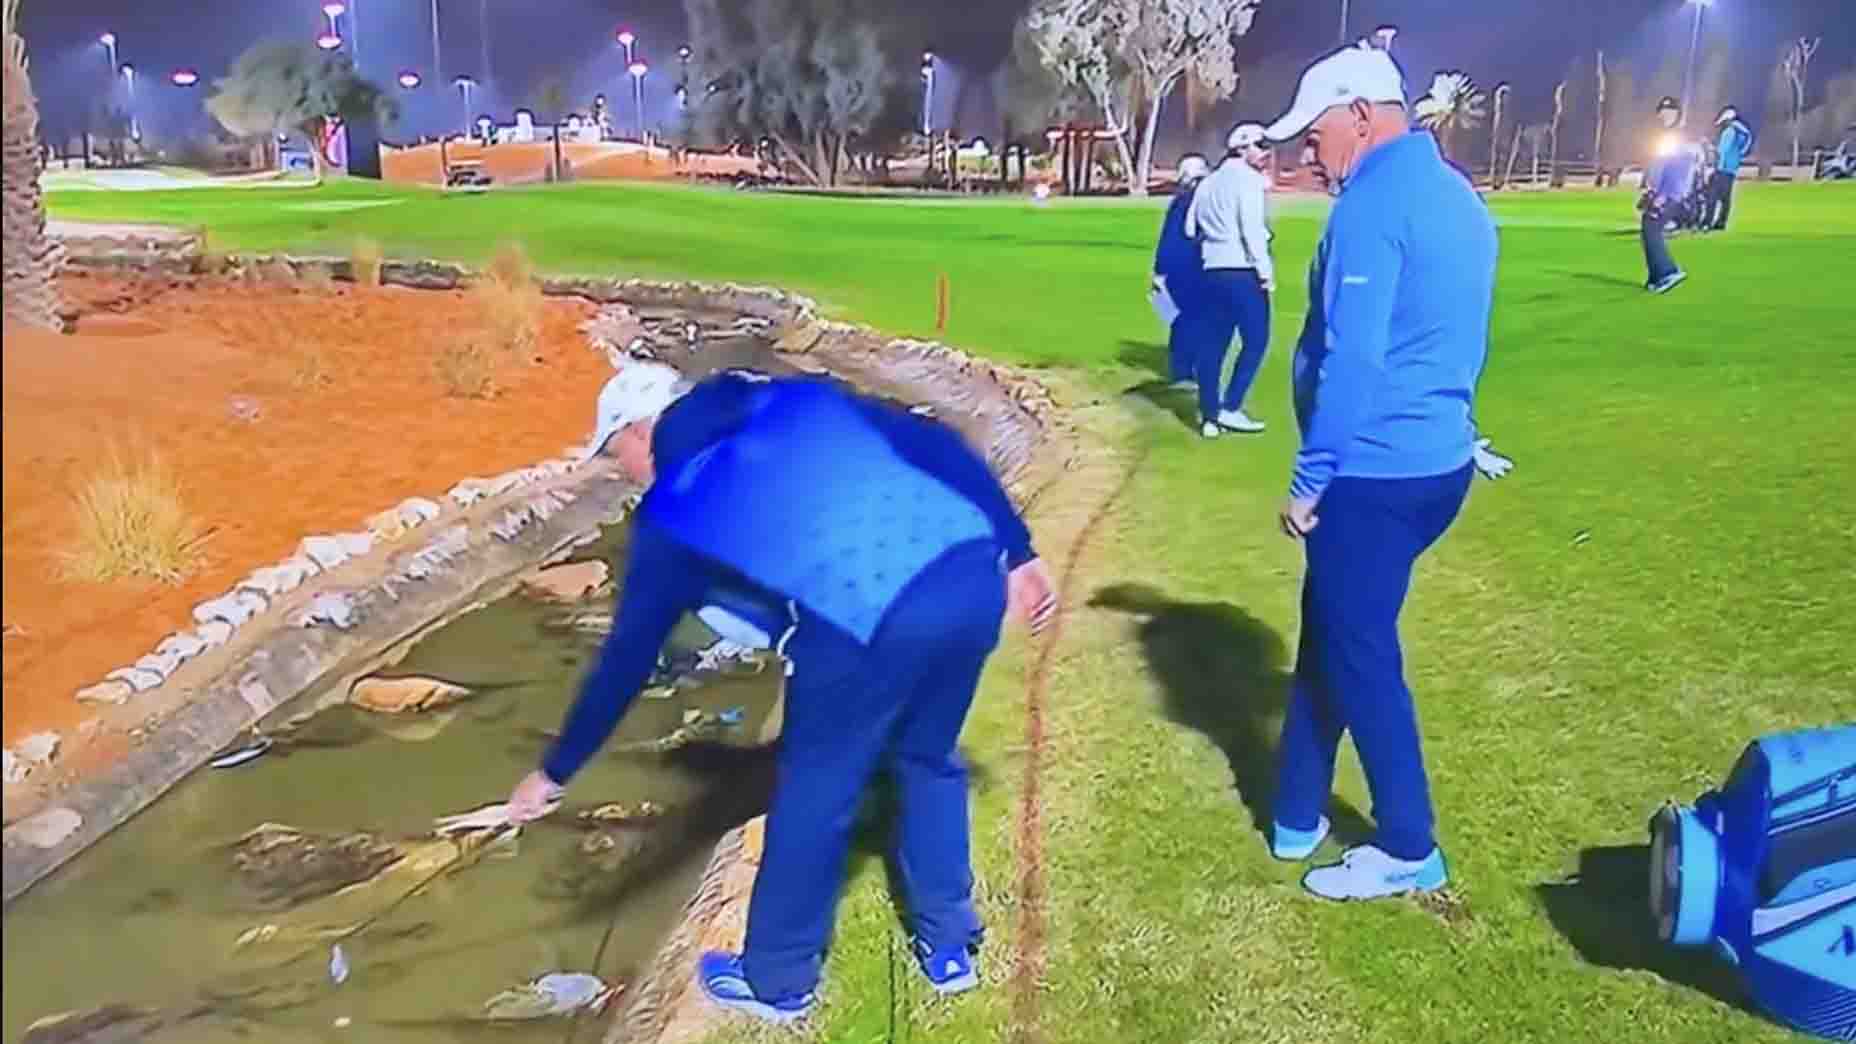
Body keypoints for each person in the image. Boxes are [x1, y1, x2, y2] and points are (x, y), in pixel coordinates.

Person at [506, 362, 1057, 1023]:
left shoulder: (672, 509)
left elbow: (626, 659)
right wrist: (1018, 550)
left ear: (641, 429)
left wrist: (554, 771)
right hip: (967, 573)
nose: (620, 470)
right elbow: (934, 442)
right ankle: (949, 950)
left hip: (867, 610)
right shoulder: (788, 403)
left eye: (614, 451)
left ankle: (779, 982)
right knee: (927, 757)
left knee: (815, 791)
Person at [1259, 41, 1500, 901]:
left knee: (1359, 650)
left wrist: (1311, 478)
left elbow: (1353, 361)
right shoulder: (1455, 196)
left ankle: (1409, 844)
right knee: (1330, 627)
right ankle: (1294, 812)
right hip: (1437, 464)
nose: (1306, 151)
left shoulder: (1372, 207)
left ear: (1361, 115)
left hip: (1375, 474)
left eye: (1315, 133)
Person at [1184, 123, 1276, 439]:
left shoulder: (1207, 183)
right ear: (1242, 148)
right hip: (1242, 269)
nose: (1266, 153)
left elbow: (1190, 229)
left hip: (1212, 270)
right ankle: (1231, 407)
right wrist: (1265, 272)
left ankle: (1209, 415)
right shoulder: (1248, 181)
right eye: (1260, 146)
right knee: (1257, 339)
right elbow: (1251, 230)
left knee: (1213, 344)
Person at [1152, 153, 1212, 387]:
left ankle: (1185, 369)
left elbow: (1167, 241)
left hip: (1183, 268)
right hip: (1190, 269)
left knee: (1185, 321)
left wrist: (1160, 270)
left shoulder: (1180, 202)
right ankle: (1185, 371)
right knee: (1191, 321)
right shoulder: (1190, 203)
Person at [1640, 138, 1692, 294]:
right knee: (1649, 227)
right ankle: (1656, 276)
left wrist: (1661, 196)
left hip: (1667, 196)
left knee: (1651, 229)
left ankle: (1667, 272)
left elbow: (1673, 173)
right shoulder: (1666, 140)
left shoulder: (1673, 142)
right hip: (1665, 194)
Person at [1707, 106, 1754, 231]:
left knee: (1712, 196)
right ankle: (1721, 222)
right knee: (1725, 199)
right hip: (1732, 169)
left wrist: (1717, 165)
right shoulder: (1740, 132)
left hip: (1723, 168)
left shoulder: (1729, 132)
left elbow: (1723, 151)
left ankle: (1708, 221)